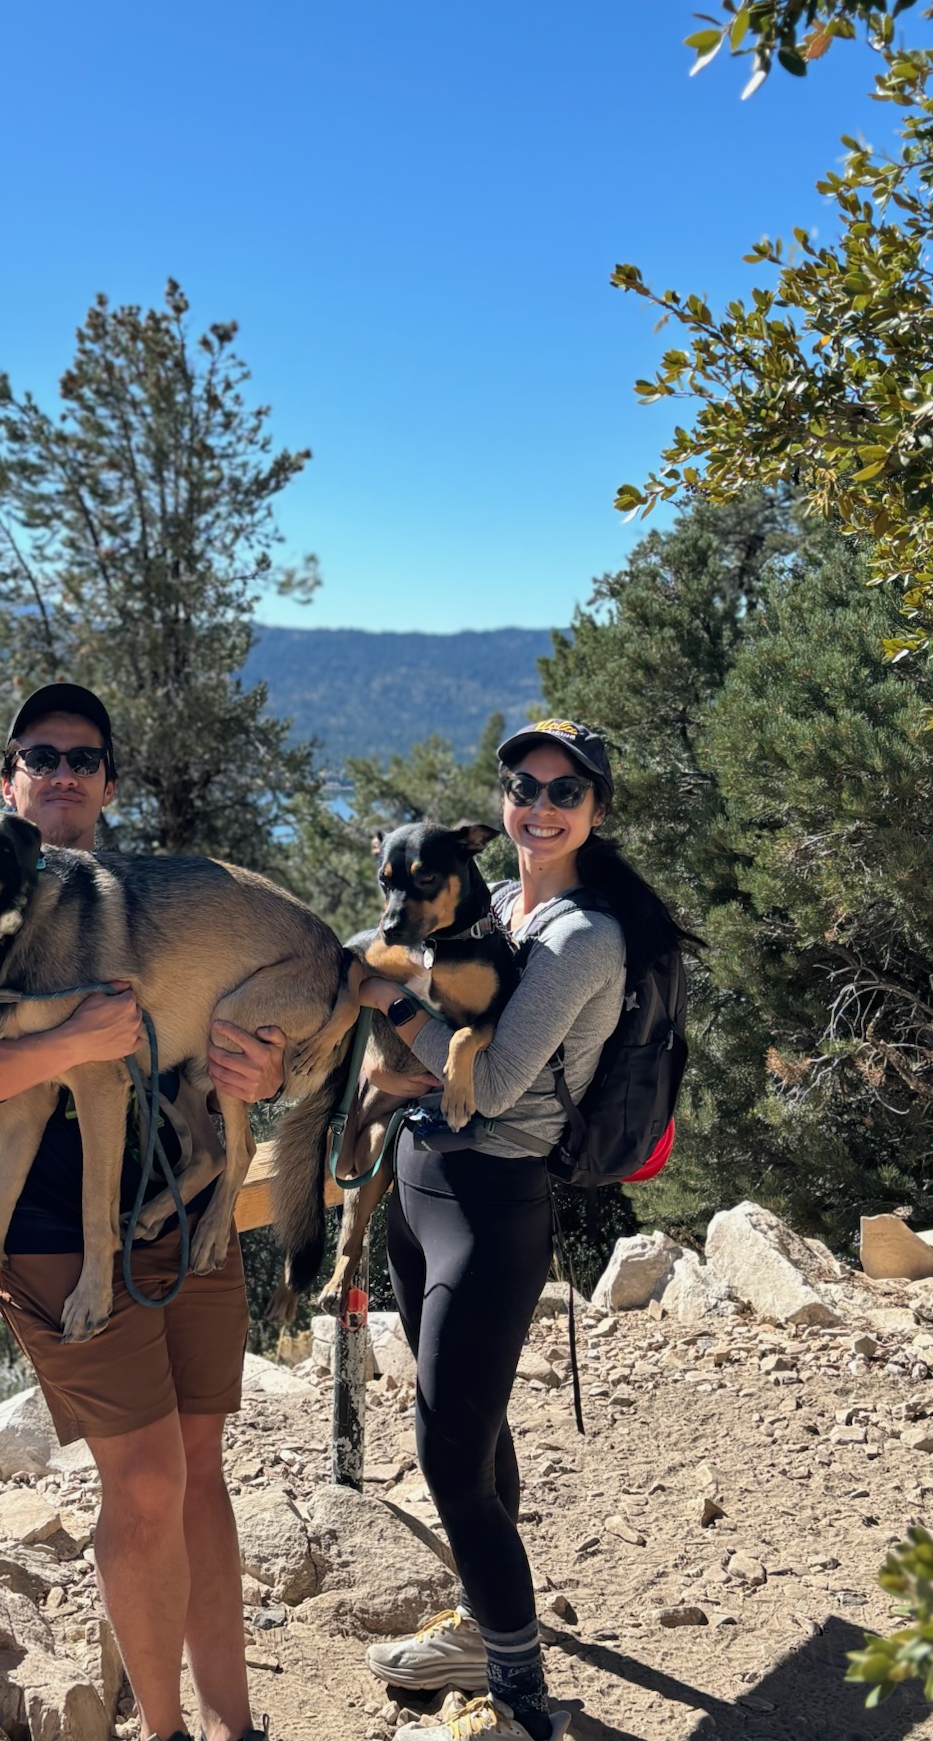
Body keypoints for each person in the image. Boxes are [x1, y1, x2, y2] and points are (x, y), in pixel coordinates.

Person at [0, 684, 284, 1741]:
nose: (62, 772)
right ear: (8, 783)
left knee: (202, 1471)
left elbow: (235, 1019)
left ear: (107, 782)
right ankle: (164, 1733)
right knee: (148, 1484)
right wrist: (69, 1044)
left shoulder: (139, 898)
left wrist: (264, 1059)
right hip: (58, 1235)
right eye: (39, 755)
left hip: (187, 1208)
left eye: (83, 757)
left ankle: (234, 1727)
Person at [353, 719, 687, 1741]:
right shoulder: (499, 903)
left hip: (492, 1207)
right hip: (419, 1187)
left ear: (597, 807)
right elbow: (427, 1044)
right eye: (523, 786)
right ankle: (484, 1624)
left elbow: (487, 1088)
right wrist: (411, 1037)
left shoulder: (583, 934)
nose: (539, 806)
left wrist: (377, 993)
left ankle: (518, 1689)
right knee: (468, 1421)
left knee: (447, 1454)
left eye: (565, 791)